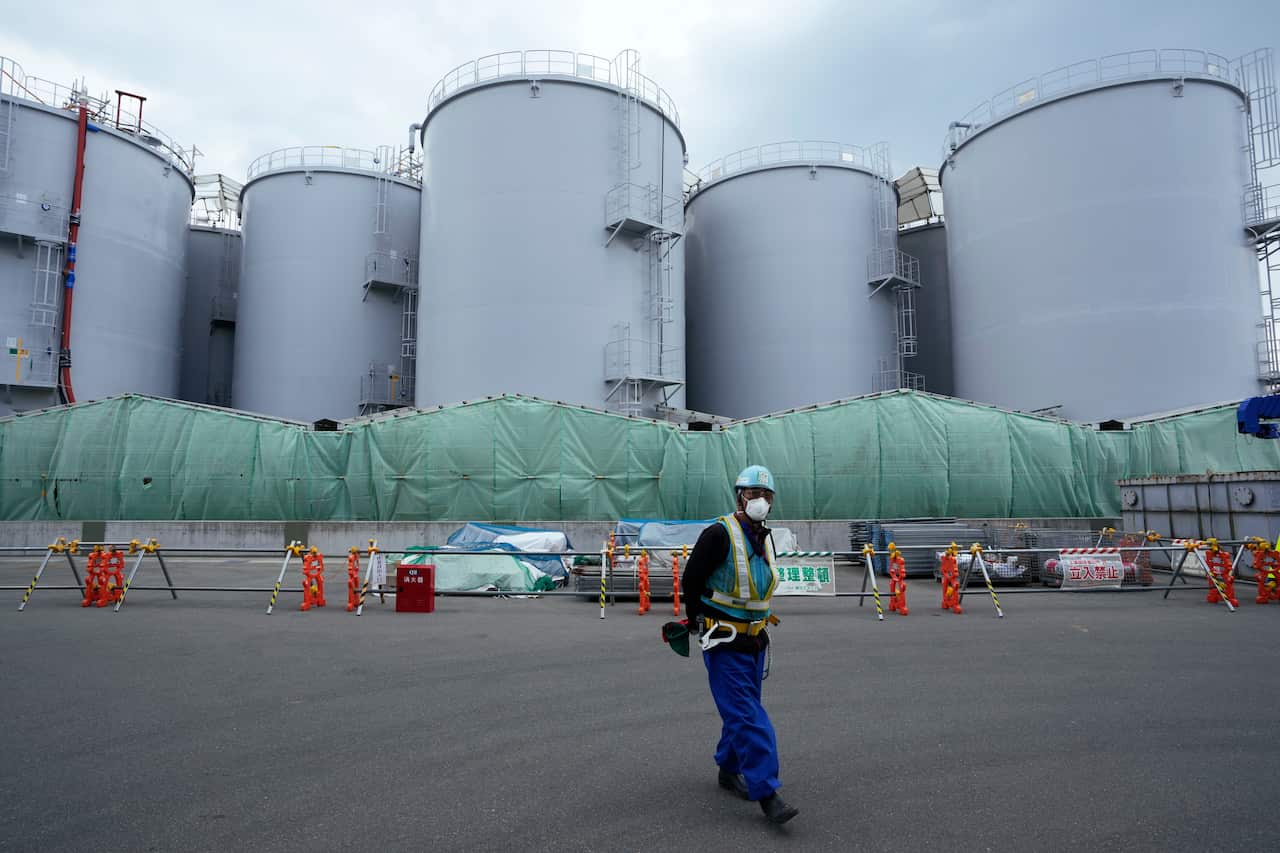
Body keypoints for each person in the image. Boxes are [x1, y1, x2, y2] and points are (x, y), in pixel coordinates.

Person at [681, 464, 799, 825]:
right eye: (753, 494)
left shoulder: (764, 537)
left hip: (754, 641)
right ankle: (767, 793)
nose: (760, 501)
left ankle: (728, 769)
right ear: (739, 497)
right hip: (724, 641)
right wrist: (696, 619)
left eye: (766, 495)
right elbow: (691, 579)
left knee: (742, 712)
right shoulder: (719, 534)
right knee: (750, 718)